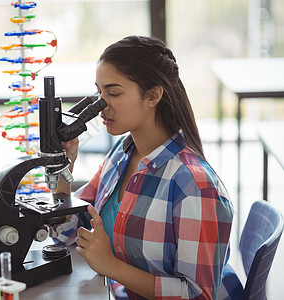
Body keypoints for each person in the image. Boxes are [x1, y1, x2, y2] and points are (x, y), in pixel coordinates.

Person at [54, 35, 243, 299]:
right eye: (99, 92)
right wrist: (65, 165)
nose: (100, 106)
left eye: (113, 93)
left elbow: (198, 295)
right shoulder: (121, 154)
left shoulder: (195, 187)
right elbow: (68, 231)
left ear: (152, 95)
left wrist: (111, 266)